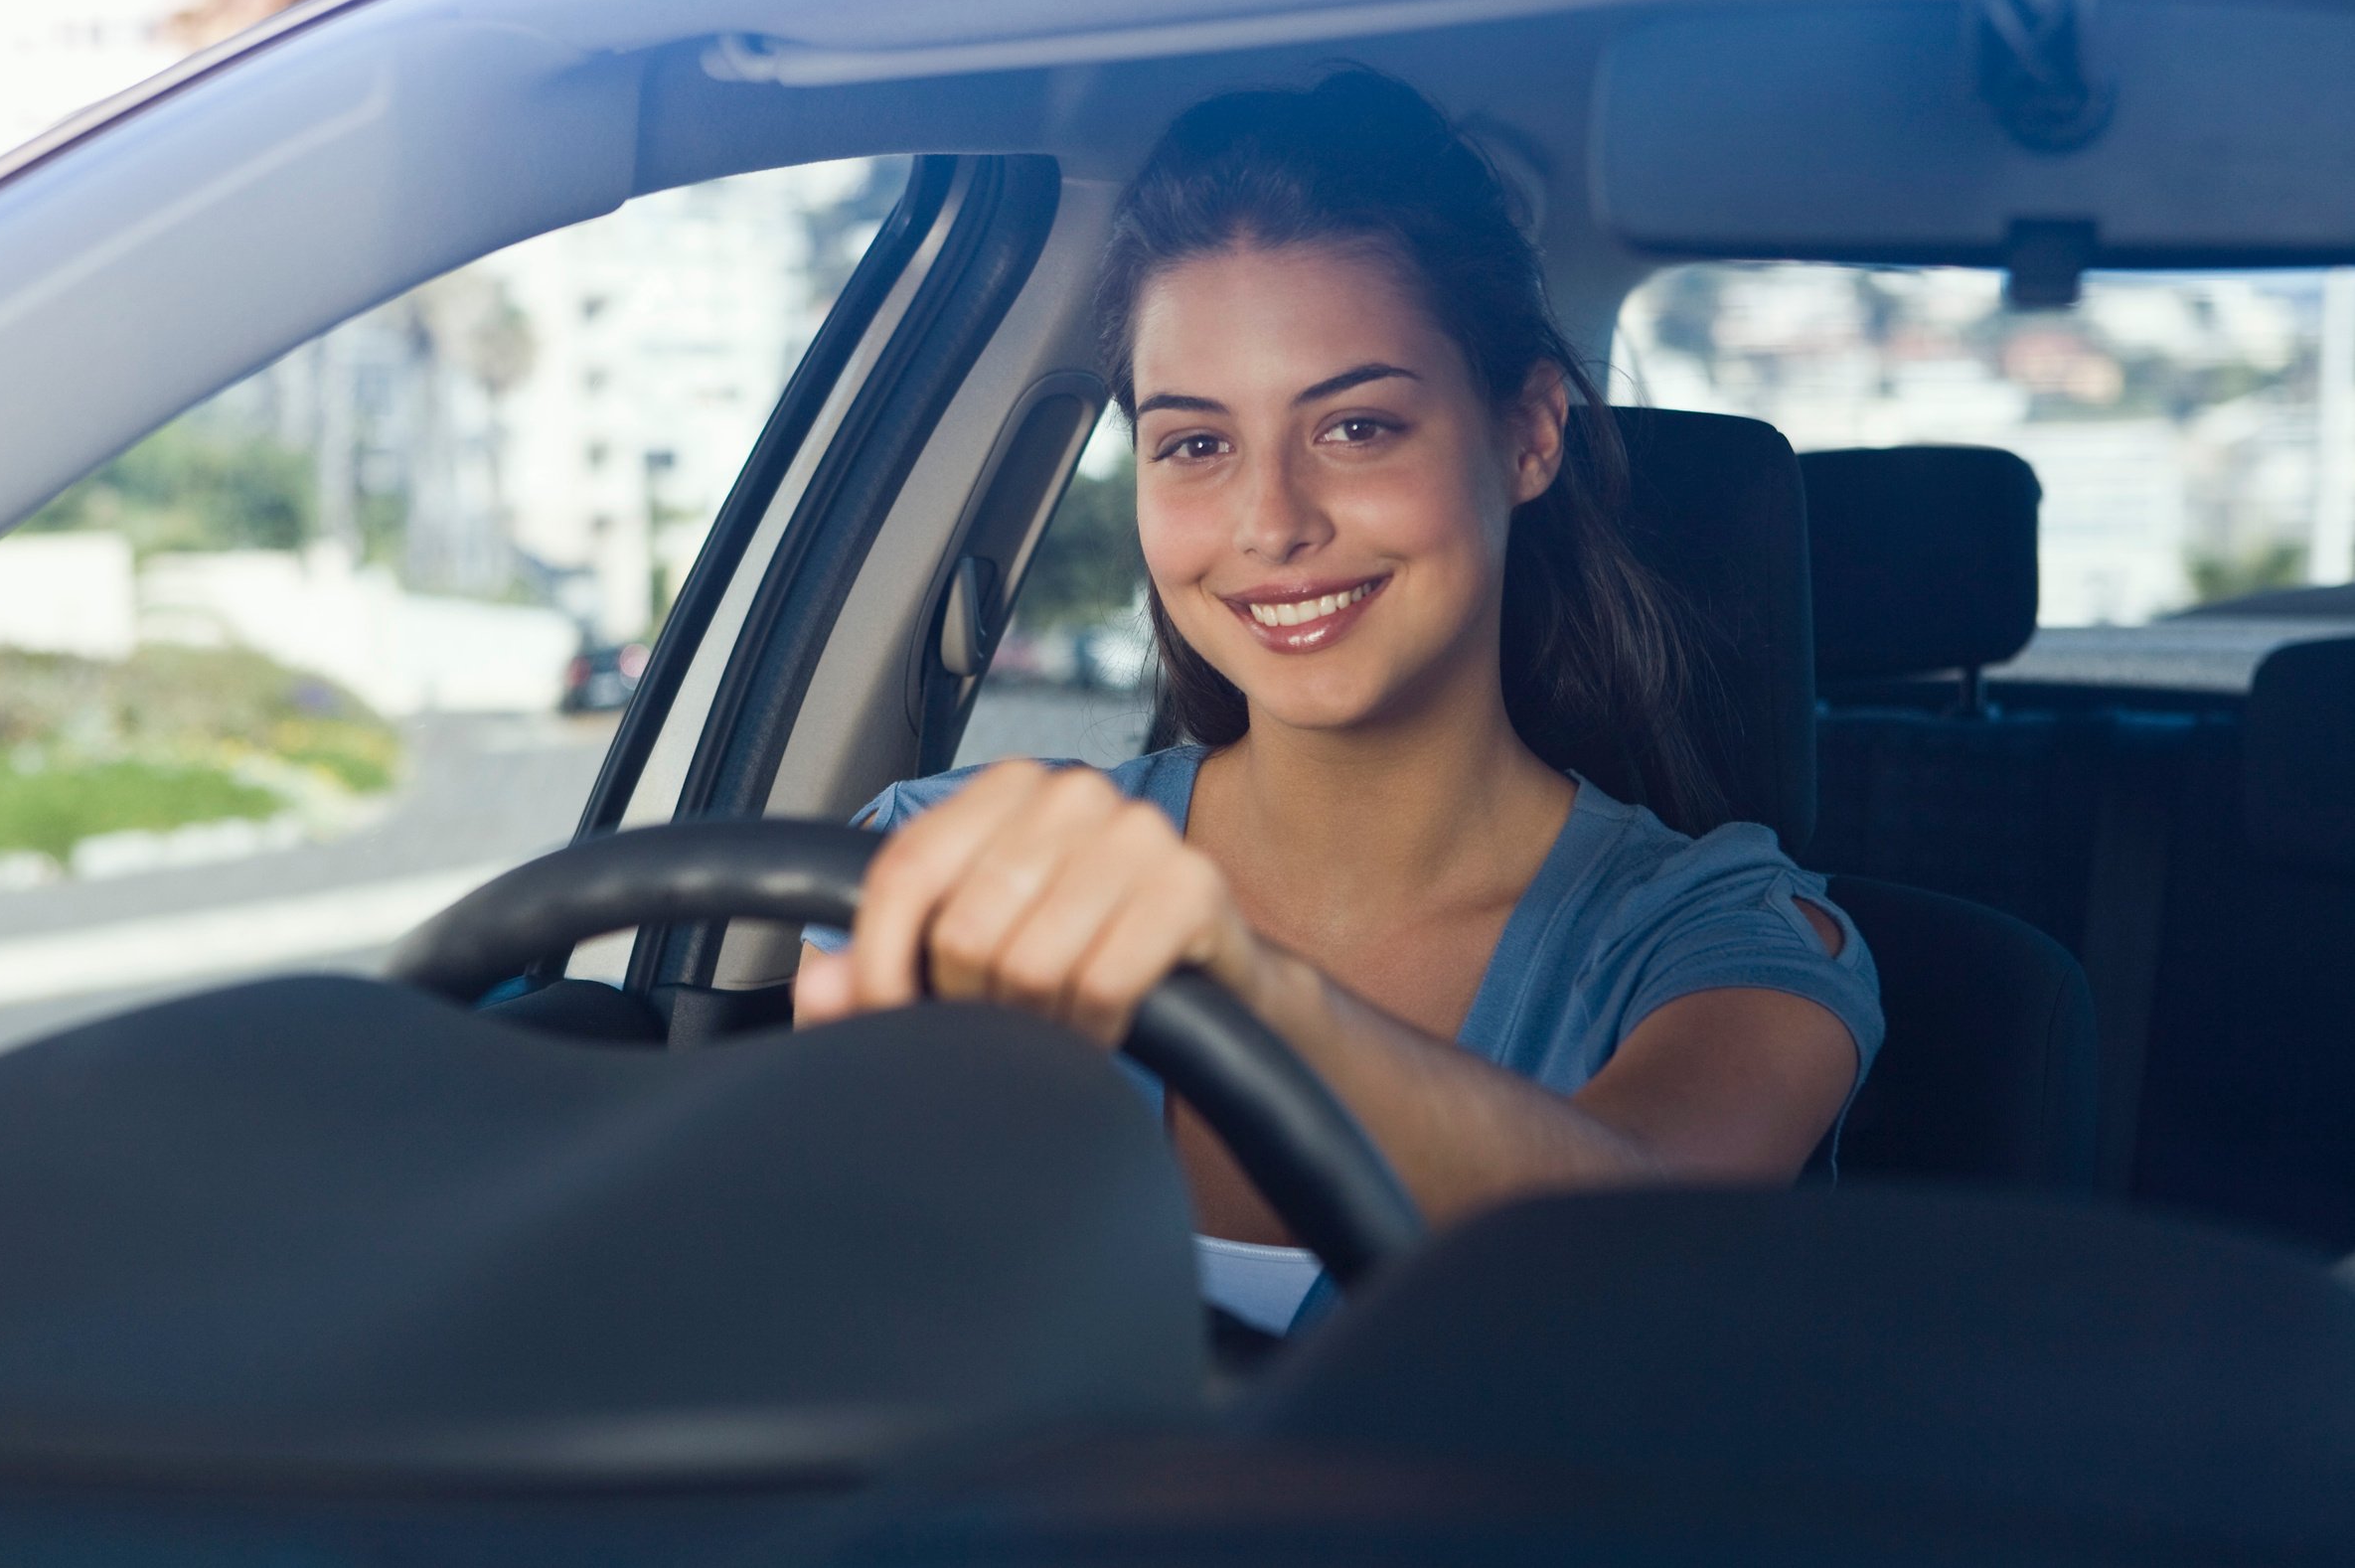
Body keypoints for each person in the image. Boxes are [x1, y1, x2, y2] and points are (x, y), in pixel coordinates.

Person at [794, 70, 1880, 1334]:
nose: (1271, 524)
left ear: (1529, 431)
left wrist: (1232, 989)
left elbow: (1632, 1235)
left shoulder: (1725, 938)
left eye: (1357, 427)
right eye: (1196, 443)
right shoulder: (948, 858)